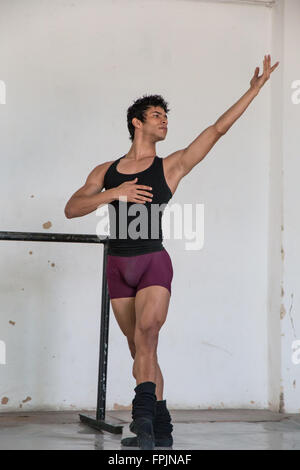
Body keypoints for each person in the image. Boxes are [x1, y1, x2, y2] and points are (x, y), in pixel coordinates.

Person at [64, 55, 279, 449]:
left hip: (152, 262)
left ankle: (142, 423)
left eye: (166, 116)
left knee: (147, 336)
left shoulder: (171, 166)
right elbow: (72, 207)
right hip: (118, 265)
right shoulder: (106, 170)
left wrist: (253, 90)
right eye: (157, 115)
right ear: (137, 122)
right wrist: (114, 193)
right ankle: (162, 428)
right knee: (139, 350)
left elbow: (216, 130)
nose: (165, 121)